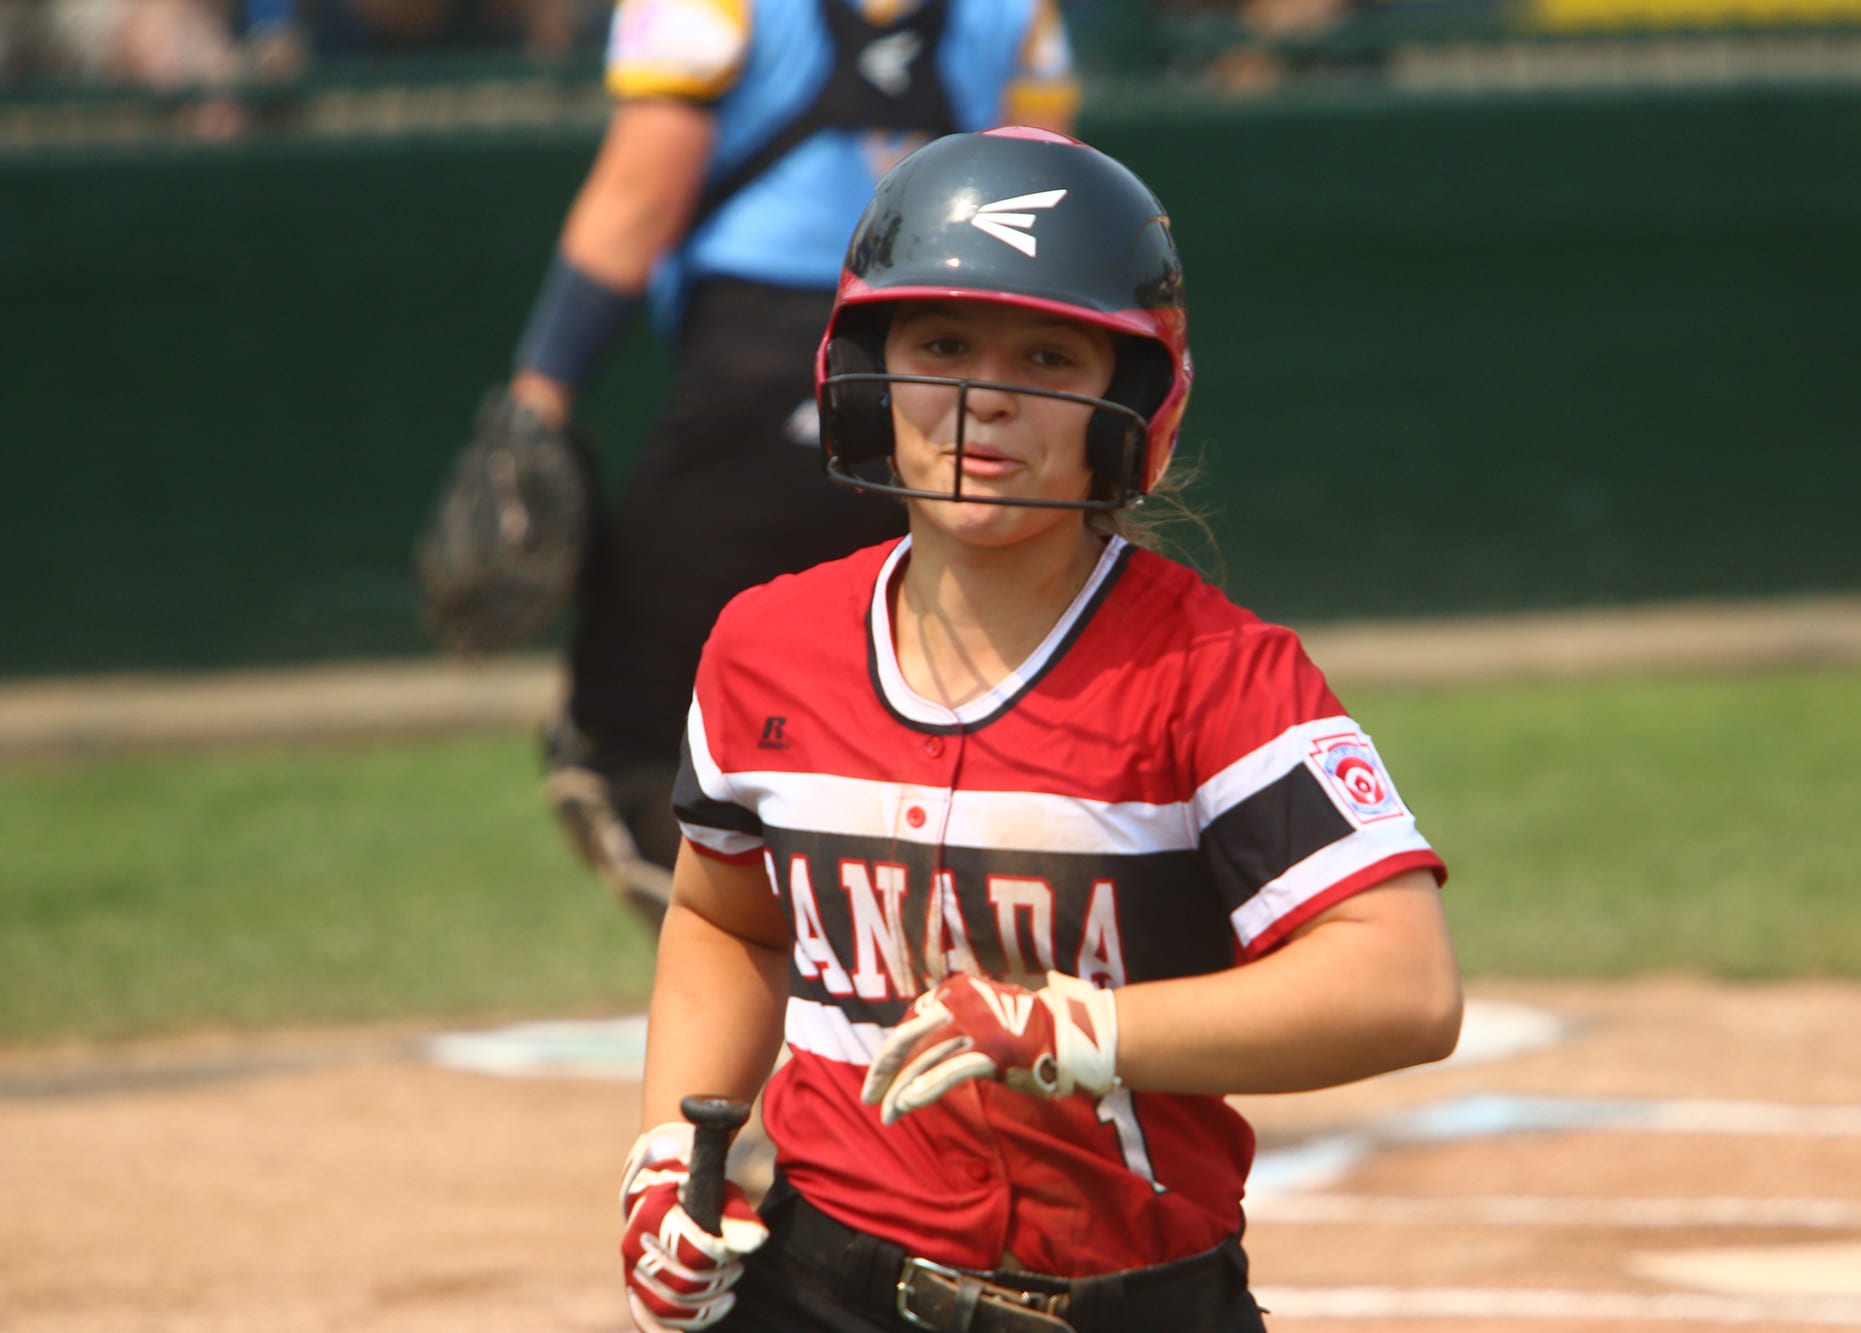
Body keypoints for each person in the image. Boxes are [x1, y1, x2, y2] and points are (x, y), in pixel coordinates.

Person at [616, 127, 1463, 1333]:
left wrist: (1079, 1024)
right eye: (942, 344)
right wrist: (666, 1151)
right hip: (817, 1286)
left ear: (1129, 400)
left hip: (1132, 1298)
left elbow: (1403, 982)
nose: (985, 396)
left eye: (1048, 356)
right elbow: (724, 917)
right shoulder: (764, 646)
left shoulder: (1210, 672)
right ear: (868, 367)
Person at [501, 0, 1080, 930]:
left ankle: (777, 967)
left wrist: (537, 402)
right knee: (964, 689)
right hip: (950, 375)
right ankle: (949, 954)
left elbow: (639, 199)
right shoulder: (1018, 9)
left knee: (627, 729)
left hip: (757, 368)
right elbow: (1057, 220)